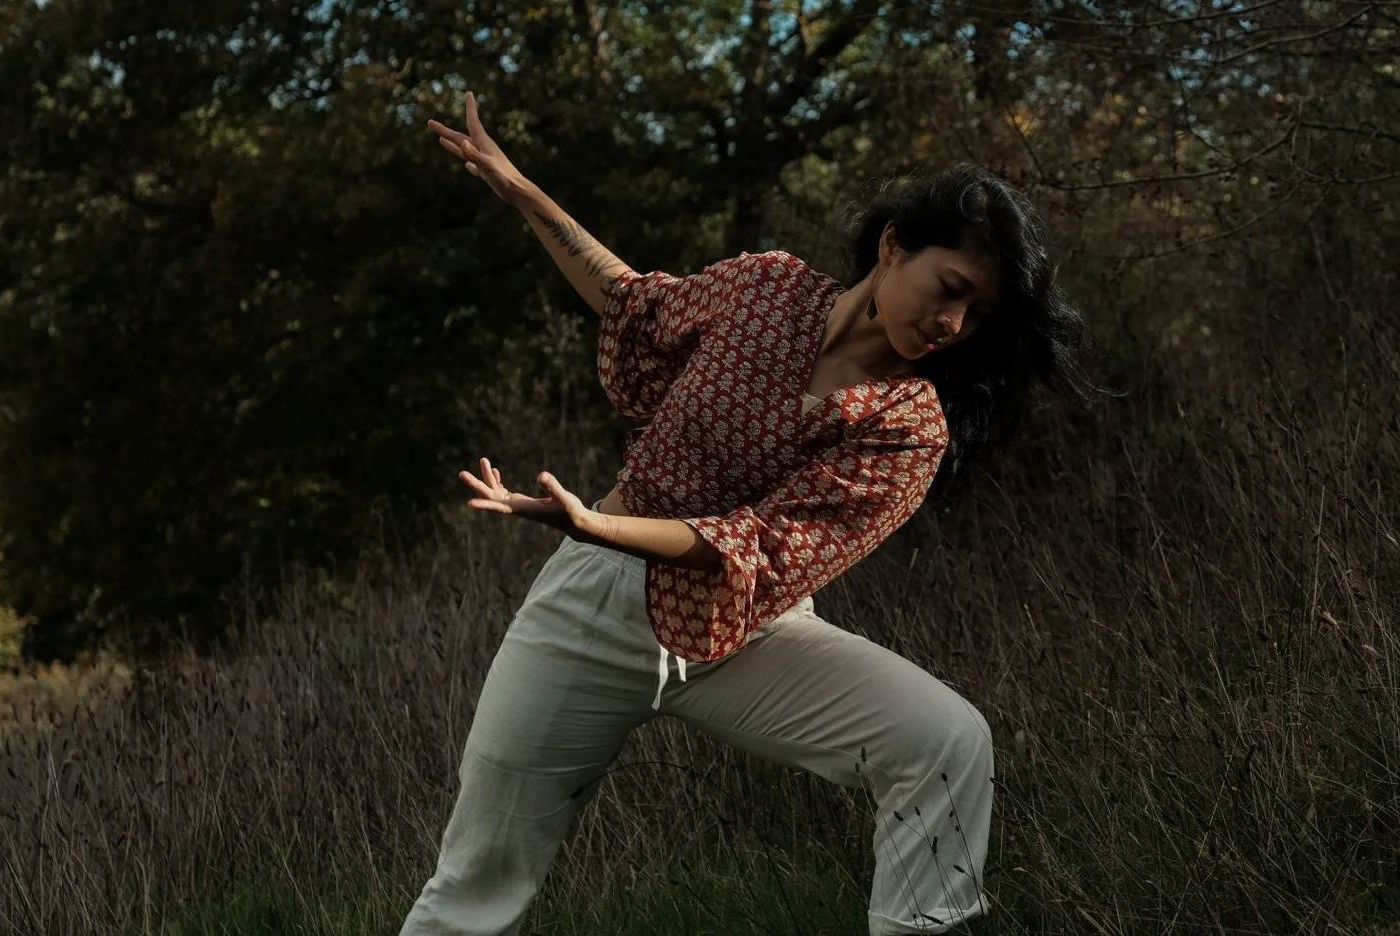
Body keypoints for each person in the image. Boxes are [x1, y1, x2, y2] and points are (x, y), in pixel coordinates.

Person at [402, 91, 1104, 935]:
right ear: (892, 247)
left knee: (946, 742)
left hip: (746, 631)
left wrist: (593, 522)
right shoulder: (766, 287)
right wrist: (518, 186)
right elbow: (636, 304)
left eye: (979, 313)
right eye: (951, 287)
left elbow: (759, 550)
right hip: (593, 610)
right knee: (476, 886)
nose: (954, 322)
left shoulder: (909, 427)